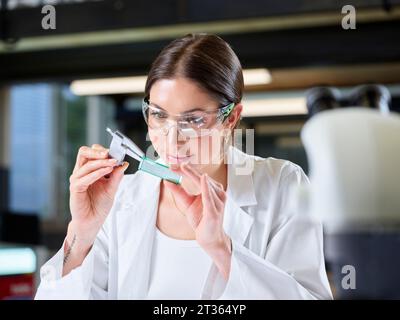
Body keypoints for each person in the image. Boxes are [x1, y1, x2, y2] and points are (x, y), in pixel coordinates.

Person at [35, 33, 332, 300]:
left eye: (194, 120)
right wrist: (82, 233)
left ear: (231, 117)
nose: (172, 140)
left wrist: (222, 250)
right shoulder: (121, 197)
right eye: (159, 116)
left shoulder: (281, 184)